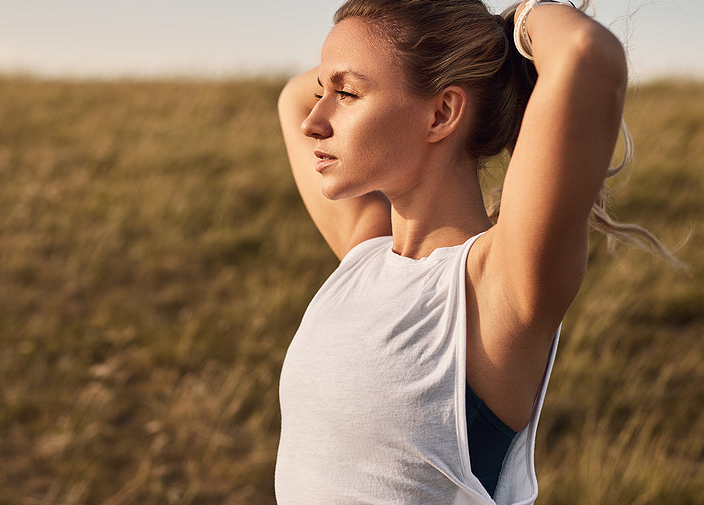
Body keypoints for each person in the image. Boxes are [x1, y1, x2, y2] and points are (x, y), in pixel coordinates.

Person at [274, 0, 676, 503]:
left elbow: (584, 54)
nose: (315, 120)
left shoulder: (491, 290)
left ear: (442, 112)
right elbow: (292, 99)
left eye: (347, 93)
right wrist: (469, 54)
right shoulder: (366, 254)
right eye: (325, 91)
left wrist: (517, 23)